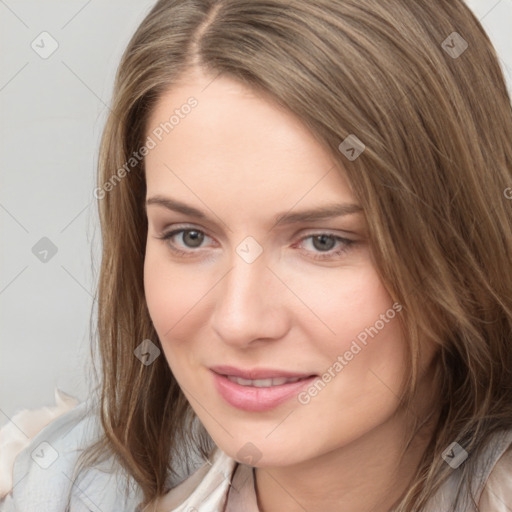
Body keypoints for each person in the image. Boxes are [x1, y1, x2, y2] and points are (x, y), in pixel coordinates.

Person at [2, 0, 512, 510]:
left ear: (461, 251)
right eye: (190, 236)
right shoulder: (52, 487)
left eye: (323, 241)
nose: (239, 322)